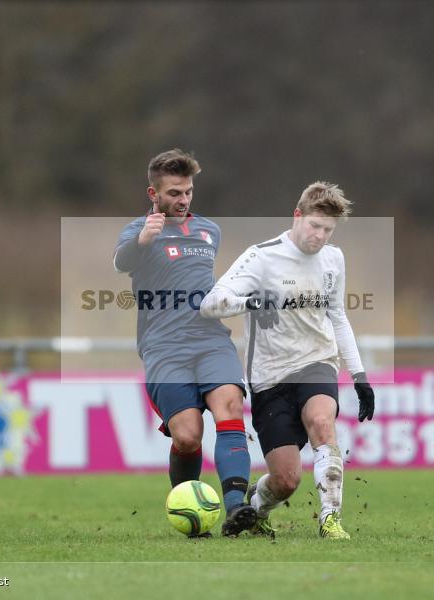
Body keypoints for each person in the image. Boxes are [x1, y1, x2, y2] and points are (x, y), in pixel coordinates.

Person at [199, 181, 375, 540]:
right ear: (297, 216)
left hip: (317, 361)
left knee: (322, 421)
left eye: (328, 230)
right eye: (314, 226)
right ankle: (257, 506)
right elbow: (210, 304)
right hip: (270, 378)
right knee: (286, 480)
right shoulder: (261, 257)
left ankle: (330, 519)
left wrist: (359, 375)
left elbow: (337, 316)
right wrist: (249, 302)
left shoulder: (333, 259)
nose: (320, 236)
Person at [113, 148, 256, 537]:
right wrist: (142, 240)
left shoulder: (210, 230)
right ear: (153, 193)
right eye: (174, 192)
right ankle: (185, 503)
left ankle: (238, 510)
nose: (183, 199)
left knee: (229, 407)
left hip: (211, 339)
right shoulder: (138, 231)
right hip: (164, 347)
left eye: (188, 191)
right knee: (189, 435)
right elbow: (121, 262)